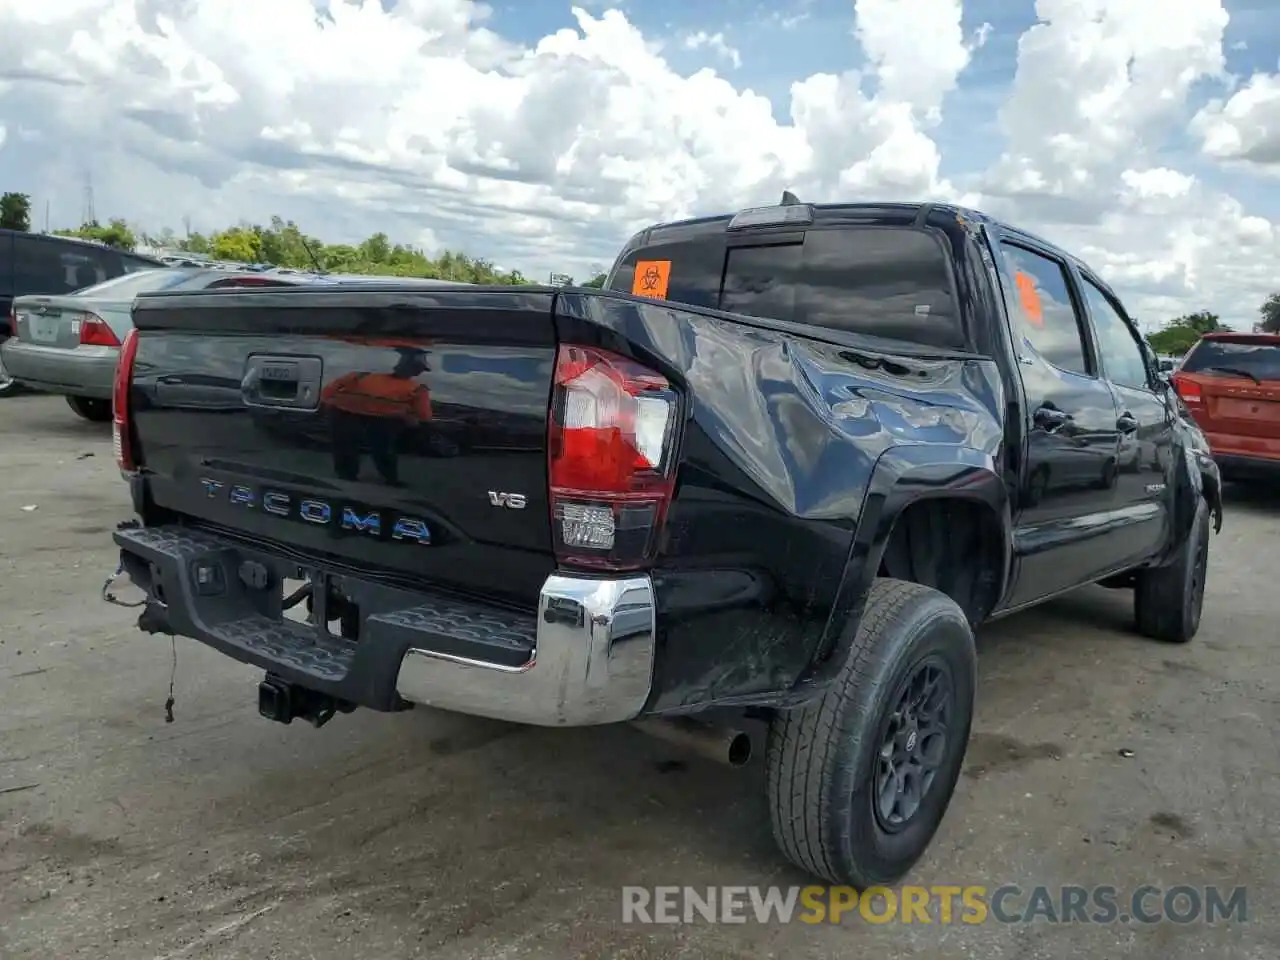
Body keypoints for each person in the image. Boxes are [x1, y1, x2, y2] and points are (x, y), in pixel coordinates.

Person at [321, 348, 433, 485]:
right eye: (418, 368)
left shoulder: (362, 376)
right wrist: (411, 420)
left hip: (348, 414)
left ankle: (347, 477)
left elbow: (328, 391)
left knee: (348, 446)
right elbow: (424, 416)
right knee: (381, 449)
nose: (417, 372)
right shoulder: (417, 388)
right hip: (362, 416)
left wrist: (327, 404)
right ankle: (389, 479)